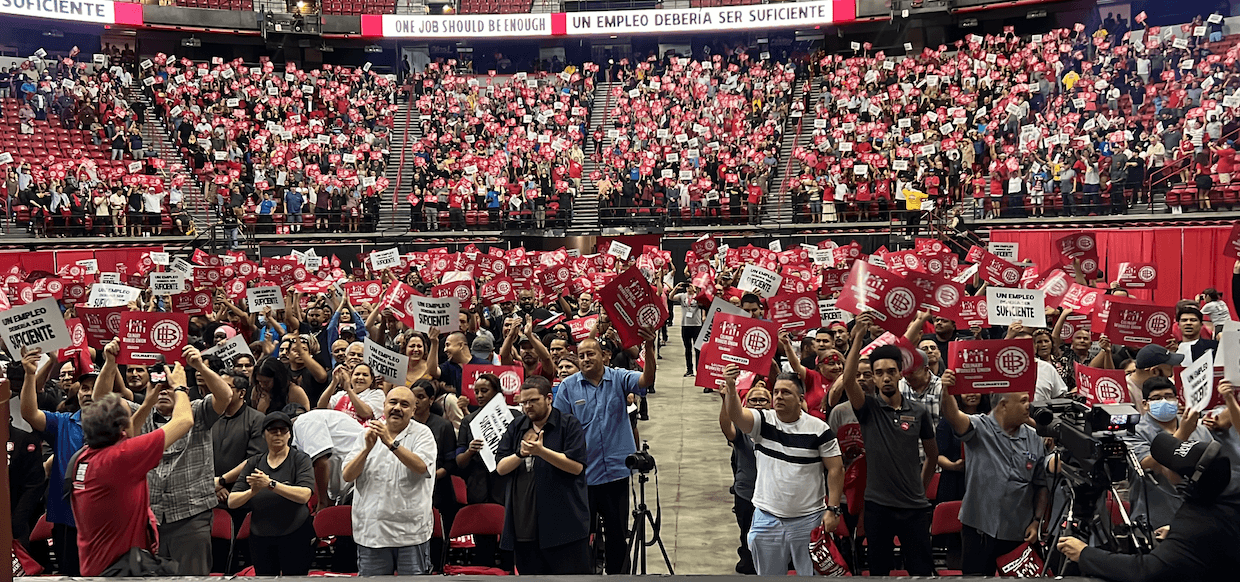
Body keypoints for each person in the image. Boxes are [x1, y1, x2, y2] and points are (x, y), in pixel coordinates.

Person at [93, 341, 233, 576]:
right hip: (149, 519)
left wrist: (199, 366)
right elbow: (100, 401)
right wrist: (109, 363)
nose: (164, 391)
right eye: (159, 386)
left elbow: (225, 395)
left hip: (191, 517)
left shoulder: (197, 410)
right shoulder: (139, 413)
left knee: (192, 579)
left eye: (170, 387)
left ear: (181, 389)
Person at [552, 326, 658, 574]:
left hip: (615, 474)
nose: (586, 359)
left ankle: (618, 577)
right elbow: (559, 428)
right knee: (582, 536)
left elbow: (646, 380)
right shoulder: (568, 388)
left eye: (591, 354)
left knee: (617, 535)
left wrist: (649, 348)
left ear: (604, 356)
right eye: (581, 355)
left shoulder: (619, 378)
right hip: (582, 476)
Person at [721, 364, 844, 576]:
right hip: (766, 517)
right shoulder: (762, 421)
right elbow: (737, 416)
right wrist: (731, 388)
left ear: (801, 398)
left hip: (809, 520)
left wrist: (832, 509)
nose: (778, 396)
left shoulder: (819, 429)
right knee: (768, 576)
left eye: (786, 392)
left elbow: (836, 469)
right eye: (775, 392)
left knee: (810, 575)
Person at [841, 313, 937, 576]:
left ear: (900, 374)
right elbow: (848, 380)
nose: (885, 378)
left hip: (914, 508)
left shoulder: (918, 412)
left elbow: (932, 455)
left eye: (891, 372)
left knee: (922, 570)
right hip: (878, 508)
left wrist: (920, 487)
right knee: (880, 571)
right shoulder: (868, 408)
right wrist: (858, 336)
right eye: (879, 373)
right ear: (872, 377)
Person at [70, 386, 194, 576]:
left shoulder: (84, 457)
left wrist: (147, 403)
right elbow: (184, 420)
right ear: (121, 429)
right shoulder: (121, 459)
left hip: (97, 568)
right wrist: (180, 386)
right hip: (121, 574)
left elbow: (129, 436)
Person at [938, 376, 1049, 575]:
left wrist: (1037, 521)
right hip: (979, 530)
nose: (1028, 406)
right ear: (1004, 405)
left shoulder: (1035, 437)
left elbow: (1041, 485)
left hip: (1018, 532)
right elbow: (953, 415)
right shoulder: (979, 427)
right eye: (1023, 401)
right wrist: (946, 391)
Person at [495, 376, 591, 574]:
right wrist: (521, 454)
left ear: (549, 398)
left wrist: (541, 451)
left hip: (564, 527)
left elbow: (576, 467)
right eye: (523, 402)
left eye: (533, 401)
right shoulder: (516, 427)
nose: (527, 407)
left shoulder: (569, 425)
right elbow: (501, 468)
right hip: (524, 526)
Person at [342, 386, 439, 576]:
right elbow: (347, 475)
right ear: (384, 406)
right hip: (372, 533)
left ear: (413, 410)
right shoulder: (366, 434)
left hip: (410, 534)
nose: (397, 408)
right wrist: (366, 450)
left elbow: (421, 467)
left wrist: (390, 443)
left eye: (404, 404)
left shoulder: (423, 434)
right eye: (393, 402)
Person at [19, 349, 85, 575]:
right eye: (84, 388)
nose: (88, 393)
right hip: (66, 520)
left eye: (95, 387)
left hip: (103, 522)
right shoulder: (63, 422)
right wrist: (30, 374)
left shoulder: (118, 426)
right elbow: (29, 413)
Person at [226, 412, 315, 576]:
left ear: (290, 434)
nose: (278, 434)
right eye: (273, 430)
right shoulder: (254, 462)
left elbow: (304, 495)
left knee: (295, 579)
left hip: (295, 533)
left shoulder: (300, 459)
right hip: (261, 536)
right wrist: (253, 492)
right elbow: (232, 501)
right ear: (264, 434)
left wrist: (271, 484)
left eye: (283, 430)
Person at [1122, 377, 1213, 529]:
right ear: (1145, 404)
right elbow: (1146, 464)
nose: (1164, 401)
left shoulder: (1198, 428)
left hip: (1200, 515)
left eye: (1169, 396)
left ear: (1177, 400)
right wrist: (1182, 434)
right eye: (1156, 398)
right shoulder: (1135, 432)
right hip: (1156, 516)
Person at [455, 373, 507, 505]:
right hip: (478, 486)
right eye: (476, 391)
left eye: (484, 391)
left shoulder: (513, 417)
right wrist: (470, 451)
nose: (479, 395)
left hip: (505, 484)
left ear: (497, 392)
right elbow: (459, 461)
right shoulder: (468, 421)